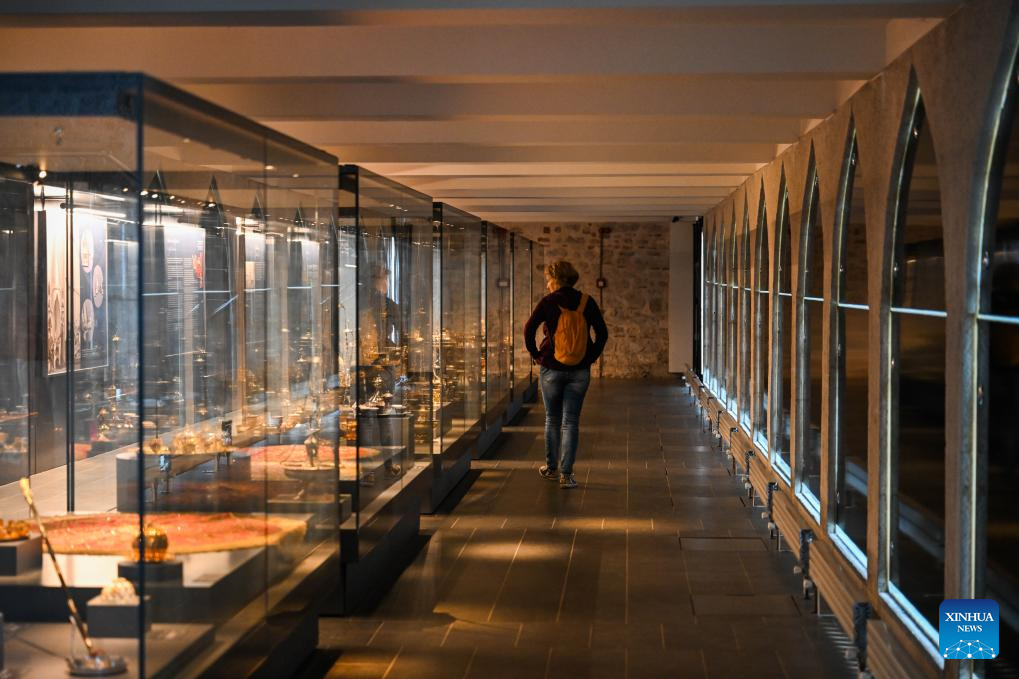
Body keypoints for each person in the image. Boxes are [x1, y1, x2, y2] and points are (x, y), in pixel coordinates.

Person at [524, 259, 608, 489]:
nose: (548, 284)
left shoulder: (548, 302)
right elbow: (602, 333)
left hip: (551, 367)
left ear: (556, 279)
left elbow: (529, 329)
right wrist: (590, 357)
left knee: (552, 418)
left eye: (549, 279)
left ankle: (551, 468)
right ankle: (567, 475)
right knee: (570, 421)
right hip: (579, 370)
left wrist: (536, 355)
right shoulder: (586, 301)